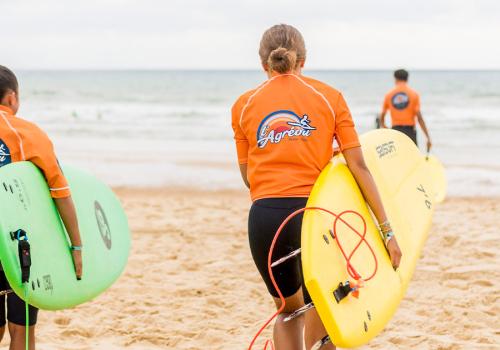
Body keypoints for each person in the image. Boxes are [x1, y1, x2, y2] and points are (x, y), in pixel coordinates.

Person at [231, 24, 402, 350]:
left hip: (266, 219)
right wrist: (387, 231)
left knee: (288, 312)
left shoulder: (243, 105)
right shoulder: (330, 97)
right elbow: (359, 167)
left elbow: (250, 178)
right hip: (315, 214)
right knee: (323, 306)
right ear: (304, 61)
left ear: (262, 63)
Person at [0, 65, 83, 350]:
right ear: (11, 97)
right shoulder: (28, 133)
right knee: (21, 331)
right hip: (18, 246)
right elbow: (60, 192)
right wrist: (76, 247)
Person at [379, 69, 432, 151]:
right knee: (413, 159)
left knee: (398, 159)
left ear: (395, 79)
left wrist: (386, 128)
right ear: (407, 79)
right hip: (410, 132)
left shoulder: (389, 95)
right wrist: (427, 137)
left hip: (396, 131)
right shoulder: (414, 94)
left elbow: (382, 116)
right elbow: (419, 118)